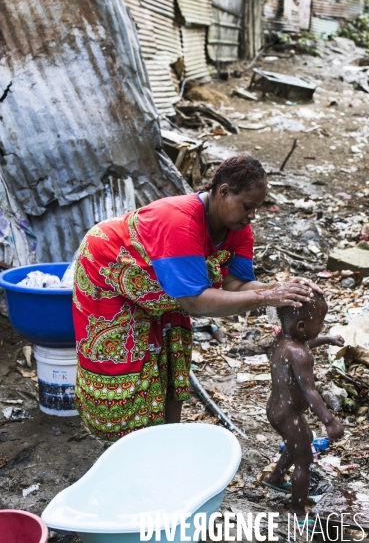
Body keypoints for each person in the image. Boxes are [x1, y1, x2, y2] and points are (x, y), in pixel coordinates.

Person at [73, 155, 322, 441]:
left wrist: (280, 288)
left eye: (257, 208)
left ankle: (169, 441)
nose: (253, 215)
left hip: (166, 287)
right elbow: (195, 302)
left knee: (171, 353)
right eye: (248, 206)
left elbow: (236, 284)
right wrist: (268, 295)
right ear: (224, 192)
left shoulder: (238, 229)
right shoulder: (180, 220)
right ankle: (125, 448)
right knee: (123, 364)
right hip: (109, 272)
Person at [262, 292, 345, 524]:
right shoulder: (298, 354)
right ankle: (297, 512)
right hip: (288, 413)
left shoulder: (284, 340)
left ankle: (276, 477)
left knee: (302, 438)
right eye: (320, 323)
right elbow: (310, 391)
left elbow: (307, 341)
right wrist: (329, 421)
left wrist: (326, 338)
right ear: (301, 325)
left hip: (276, 408)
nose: (322, 326)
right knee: (304, 460)